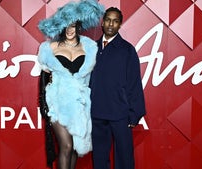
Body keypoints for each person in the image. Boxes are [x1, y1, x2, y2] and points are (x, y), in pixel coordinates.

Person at [37, 0, 104, 169]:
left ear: (78, 26)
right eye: (66, 26)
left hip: (79, 105)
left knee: (74, 148)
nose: (70, 30)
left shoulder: (89, 47)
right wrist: (43, 104)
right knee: (66, 146)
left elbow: (92, 79)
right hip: (57, 104)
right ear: (61, 27)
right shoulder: (49, 48)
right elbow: (43, 79)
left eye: (73, 25)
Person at [89, 7, 147, 169]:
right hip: (97, 113)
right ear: (102, 22)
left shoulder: (127, 50)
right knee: (99, 158)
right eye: (108, 20)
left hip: (120, 113)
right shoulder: (92, 49)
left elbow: (134, 82)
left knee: (124, 158)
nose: (110, 24)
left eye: (115, 21)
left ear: (120, 25)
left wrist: (135, 113)